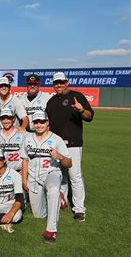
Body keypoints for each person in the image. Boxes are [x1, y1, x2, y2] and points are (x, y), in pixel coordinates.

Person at [45, 72, 94, 222]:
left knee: (75, 176)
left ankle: (79, 209)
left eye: (61, 82)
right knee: (60, 175)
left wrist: (81, 110)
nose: (58, 85)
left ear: (67, 82)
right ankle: (62, 201)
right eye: (56, 83)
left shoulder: (77, 96)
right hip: (56, 145)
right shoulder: (51, 101)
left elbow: (89, 116)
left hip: (73, 143)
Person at [21, 111, 72, 244]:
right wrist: (24, 179)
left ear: (47, 122)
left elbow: (69, 163)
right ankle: (58, 198)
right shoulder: (27, 139)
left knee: (53, 189)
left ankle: (51, 230)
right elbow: (25, 160)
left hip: (51, 173)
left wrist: (60, 157)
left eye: (42, 122)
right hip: (33, 177)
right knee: (39, 215)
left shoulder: (56, 139)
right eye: (36, 122)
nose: (39, 125)